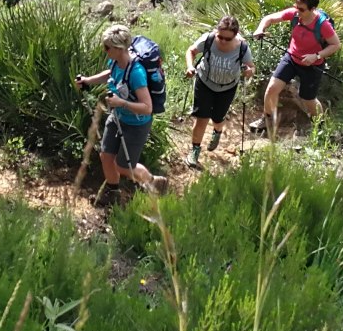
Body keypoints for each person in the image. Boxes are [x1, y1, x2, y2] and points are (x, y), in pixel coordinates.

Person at [75, 24, 166, 199]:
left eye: (107, 47)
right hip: (117, 118)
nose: (104, 50)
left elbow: (147, 108)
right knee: (105, 156)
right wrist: (88, 81)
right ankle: (112, 192)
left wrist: (121, 102)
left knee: (123, 166)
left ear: (118, 48)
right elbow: (109, 73)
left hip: (136, 124)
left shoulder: (136, 73)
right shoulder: (116, 61)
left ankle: (154, 181)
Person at [249, 0, 340, 138]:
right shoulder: (294, 14)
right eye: (296, 7)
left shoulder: (322, 25)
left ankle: (320, 125)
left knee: (307, 99)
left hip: (312, 65)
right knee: (271, 89)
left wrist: (316, 56)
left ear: (313, 9)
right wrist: (260, 28)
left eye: (302, 9)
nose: (297, 11)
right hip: (291, 58)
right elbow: (270, 18)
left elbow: (335, 45)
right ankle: (267, 119)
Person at [184, 15, 255, 168]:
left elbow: (251, 66)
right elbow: (191, 51)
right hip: (205, 82)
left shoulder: (242, 47)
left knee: (217, 118)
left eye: (227, 39)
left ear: (235, 36)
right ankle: (195, 150)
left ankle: (217, 131)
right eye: (220, 36)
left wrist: (249, 71)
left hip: (227, 88)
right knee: (202, 118)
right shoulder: (208, 39)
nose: (222, 41)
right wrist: (190, 66)